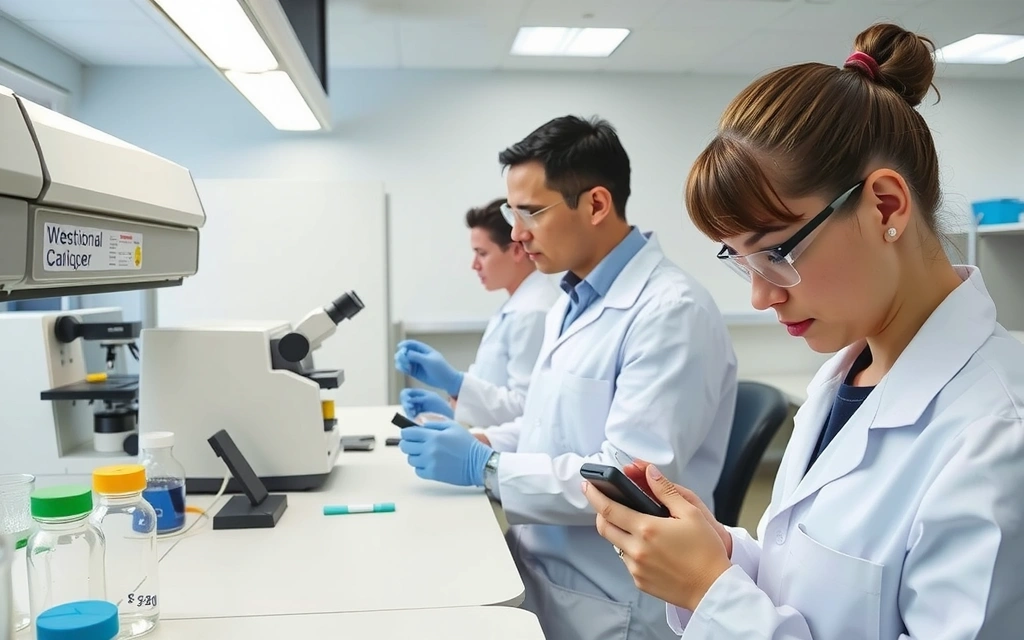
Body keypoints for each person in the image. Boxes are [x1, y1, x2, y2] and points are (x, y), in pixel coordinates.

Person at [582, 23, 1024, 639]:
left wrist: (707, 594)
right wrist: (723, 559)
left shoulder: (999, 438)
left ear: (886, 206)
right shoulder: (847, 375)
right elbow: (814, 590)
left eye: (775, 254)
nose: (762, 295)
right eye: (743, 263)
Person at [397, 115, 738, 640]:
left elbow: (629, 477)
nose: (517, 233)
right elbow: (548, 426)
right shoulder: (571, 297)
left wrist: (485, 466)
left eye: (531, 212)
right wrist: (480, 440)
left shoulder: (672, 311)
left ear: (597, 204)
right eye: (513, 212)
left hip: (609, 596)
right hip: (542, 567)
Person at [396, 198, 558, 427]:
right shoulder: (517, 305)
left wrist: (455, 383)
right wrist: (452, 405)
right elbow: (491, 383)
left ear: (516, 250)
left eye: (482, 253)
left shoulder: (533, 312)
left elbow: (526, 408)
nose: (475, 265)